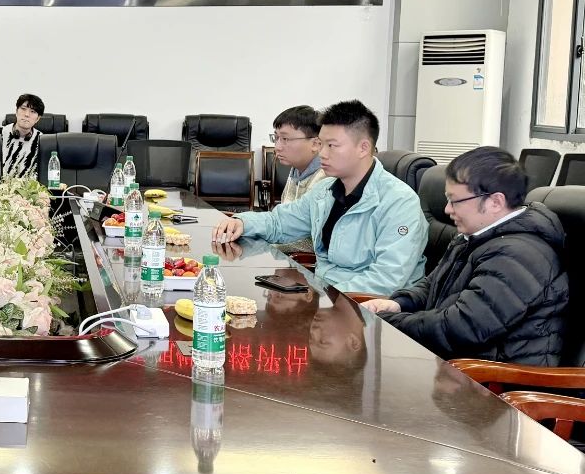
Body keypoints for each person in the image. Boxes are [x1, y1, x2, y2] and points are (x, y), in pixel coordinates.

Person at [362, 147, 568, 365]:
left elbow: (462, 329)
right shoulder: (478, 236)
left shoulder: (518, 256)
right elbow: (433, 285)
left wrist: (387, 322)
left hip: (492, 378)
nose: (447, 209)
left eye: (455, 201)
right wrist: (399, 304)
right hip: (456, 365)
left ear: (495, 202)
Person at [212, 100, 426, 296]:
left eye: (331, 145)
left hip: (369, 310)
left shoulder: (399, 202)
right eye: (321, 144)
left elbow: (385, 280)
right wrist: (242, 222)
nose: (322, 153)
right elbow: (280, 222)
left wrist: (326, 299)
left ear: (363, 148)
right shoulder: (325, 190)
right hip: (326, 294)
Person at [269, 104, 326, 254]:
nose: (277, 147)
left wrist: (267, 246)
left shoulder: (325, 178)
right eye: (276, 138)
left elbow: (312, 242)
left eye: (285, 139)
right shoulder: (297, 169)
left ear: (316, 144)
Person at [0, 93, 44, 177]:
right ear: (16, 112)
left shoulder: (42, 140)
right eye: (23, 109)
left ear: (38, 118)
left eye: (33, 111)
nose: (27, 114)